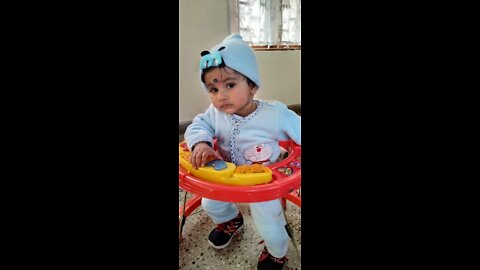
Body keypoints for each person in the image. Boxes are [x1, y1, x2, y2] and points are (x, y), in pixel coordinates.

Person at [184, 33, 301, 270]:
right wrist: (201, 143)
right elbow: (198, 125)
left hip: (263, 182)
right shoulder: (214, 112)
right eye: (212, 89)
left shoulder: (275, 114)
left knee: (270, 222)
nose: (221, 96)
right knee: (210, 204)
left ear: (253, 85)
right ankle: (231, 219)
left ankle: (277, 252)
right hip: (227, 174)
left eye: (229, 85)